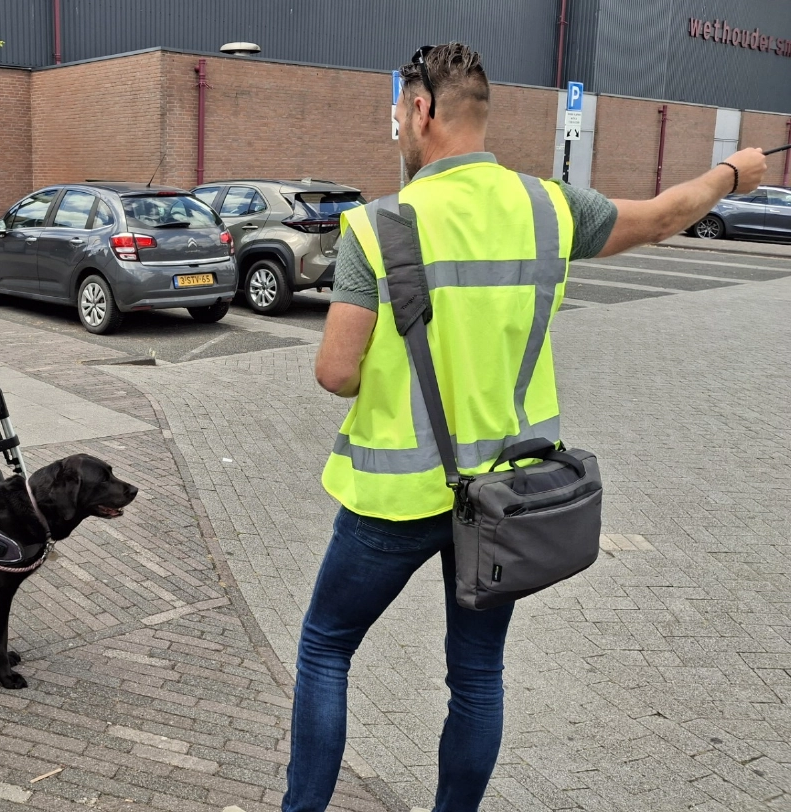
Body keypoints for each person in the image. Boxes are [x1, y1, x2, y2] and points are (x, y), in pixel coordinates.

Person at [282, 43, 767, 812]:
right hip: (505, 499)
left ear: (423, 111)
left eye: (397, 118)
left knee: (326, 648)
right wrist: (733, 174)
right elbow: (666, 216)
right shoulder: (549, 207)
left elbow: (336, 373)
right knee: (476, 678)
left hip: (394, 498)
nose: (397, 135)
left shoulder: (379, 227)